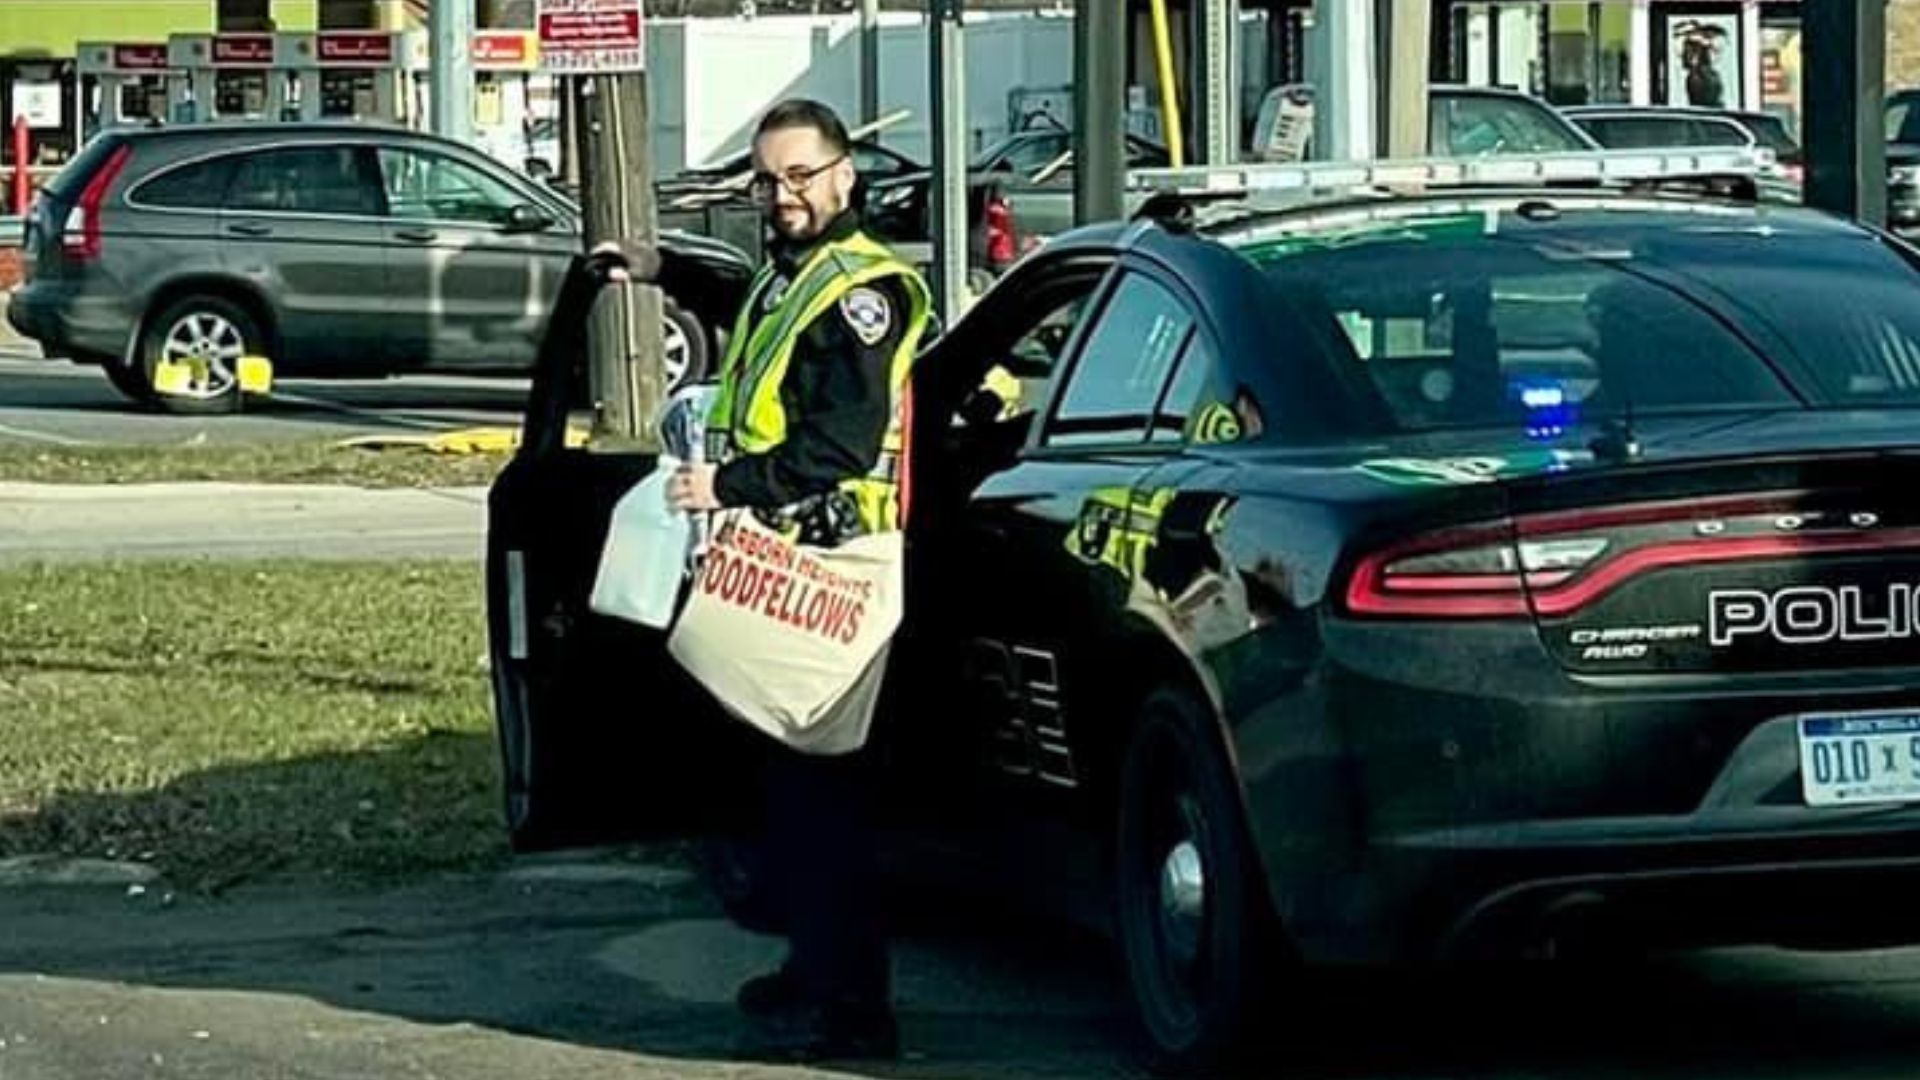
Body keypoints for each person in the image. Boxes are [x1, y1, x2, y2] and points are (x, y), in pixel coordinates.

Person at [600, 98, 932, 1063]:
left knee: (826, 802)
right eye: (767, 179)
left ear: (845, 175)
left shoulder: (862, 294)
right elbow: (734, 294)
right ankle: (811, 967)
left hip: (835, 571)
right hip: (774, 565)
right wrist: (648, 266)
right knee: (779, 792)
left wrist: (727, 484)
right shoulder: (792, 276)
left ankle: (858, 1014)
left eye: (800, 176)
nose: (783, 194)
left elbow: (842, 443)